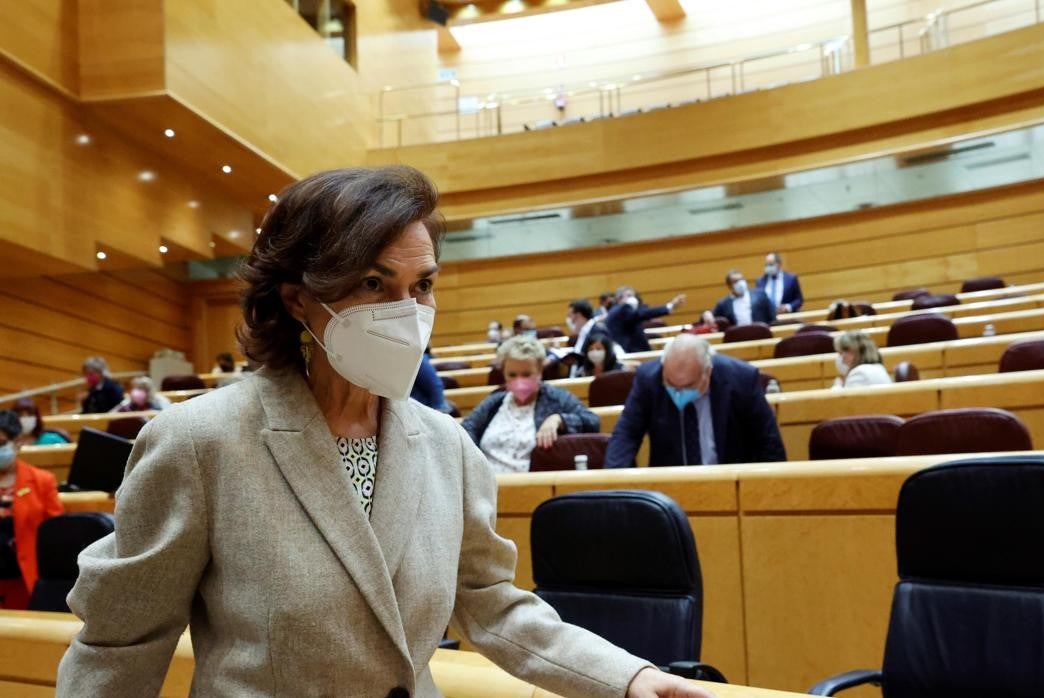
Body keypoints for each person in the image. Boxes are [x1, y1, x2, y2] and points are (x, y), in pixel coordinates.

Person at [56, 166, 710, 698]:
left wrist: (631, 679)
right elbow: (120, 651)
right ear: (296, 298)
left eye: (421, 285)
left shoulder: (448, 447)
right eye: (374, 283)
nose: (408, 312)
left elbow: (492, 607)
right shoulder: (200, 443)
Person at [605, 334, 786, 468]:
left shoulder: (741, 380)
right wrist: (616, 483)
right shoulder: (649, 379)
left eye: (688, 386)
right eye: (670, 383)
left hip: (731, 486)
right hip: (671, 493)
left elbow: (769, 446)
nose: (678, 392)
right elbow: (626, 433)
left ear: (707, 371)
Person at [460, 336, 600, 475]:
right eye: (512, 375)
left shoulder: (556, 398)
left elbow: (592, 422)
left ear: (540, 371)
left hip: (533, 487)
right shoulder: (495, 401)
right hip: (485, 487)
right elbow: (466, 430)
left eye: (526, 374)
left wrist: (560, 419)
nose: (519, 381)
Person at [0, 410, 65, 610]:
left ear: (17, 441)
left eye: (1, 443)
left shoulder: (42, 481)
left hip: (27, 578)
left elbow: (56, 534)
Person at [605, 285, 686, 354]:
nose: (633, 298)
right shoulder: (622, 309)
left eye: (633, 296)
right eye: (629, 295)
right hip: (631, 351)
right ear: (619, 298)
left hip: (634, 350)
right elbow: (643, 314)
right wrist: (669, 306)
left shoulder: (617, 310)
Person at [712, 270, 776, 327]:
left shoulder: (760, 295)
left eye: (742, 279)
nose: (740, 283)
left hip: (761, 335)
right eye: (735, 281)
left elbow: (772, 317)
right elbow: (713, 319)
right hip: (738, 338)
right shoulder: (723, 304)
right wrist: (706, 314)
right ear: (729, 286)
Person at [566, 298, 602, 378]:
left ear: (578, 315)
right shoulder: (584, 331)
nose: (569, 320)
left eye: (570, 316)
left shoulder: (597, 331)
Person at [410, 348, 452, 413]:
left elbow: (435, 385)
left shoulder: (414, 356)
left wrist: (439, 411)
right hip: (408, 410)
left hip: (425, 411)